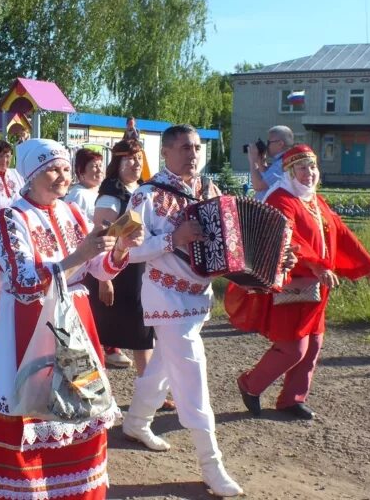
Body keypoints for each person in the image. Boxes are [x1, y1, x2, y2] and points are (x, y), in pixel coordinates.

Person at [0, 138, 143, 500]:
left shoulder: (71, 212)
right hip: (32, 323)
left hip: (76, 316)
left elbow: (97, 269)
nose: (62, 176)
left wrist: (119, 248)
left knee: (81, 400)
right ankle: (30, 490)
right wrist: (77, 255)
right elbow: (23, 281)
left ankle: (79, 489)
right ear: (32, 174)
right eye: (52, 169)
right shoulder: (11, 217)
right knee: (35, 404)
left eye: (65, 168)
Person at [122, 125, 244, 497]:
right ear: (166, 153)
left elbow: (231, 239)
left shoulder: (211, 190)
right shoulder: (145, 196)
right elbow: (124, 252)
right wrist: (170, 240)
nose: (193, 154)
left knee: (163, 362)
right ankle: (211, 464)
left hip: (199, 295)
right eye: (184, 148)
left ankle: (136, 421)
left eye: (196, 147)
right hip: (165, 296)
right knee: (191, 374)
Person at [227, 144, 370, 420]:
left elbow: (342, 232)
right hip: (291, 284)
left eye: (313, 167)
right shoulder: (281, 199)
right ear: (289, 171)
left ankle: (292, 399)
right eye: (302, 167)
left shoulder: (315, 200)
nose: (309, 173)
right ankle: (250, 384)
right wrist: (316, 263)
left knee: (313, 345)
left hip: (317, 286)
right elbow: (287, 237)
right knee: (293, 348)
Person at [87, 139, 154, 375]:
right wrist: (104, 280)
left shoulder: (146, 189)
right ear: (118, 162)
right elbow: (102, 239)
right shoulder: (110, 196)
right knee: (111, 331)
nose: (136, 163)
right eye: (130, 158)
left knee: (146, 331)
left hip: (145, 268)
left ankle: (149, 390)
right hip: (120, 272)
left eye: (139, 158)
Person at [67, 147, 133, 369]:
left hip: (104, 257)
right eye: (91, 166)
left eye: (99, 165)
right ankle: (107, 347)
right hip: (86, 261)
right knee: (99, 307)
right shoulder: (77, 196)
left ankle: (108, 346)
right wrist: (105, 278)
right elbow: (94, 232)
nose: (97, 170)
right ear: (80, 172)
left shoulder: (101, 191)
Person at [248, 125, 294, 201]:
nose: (267, 145)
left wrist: (253, 160)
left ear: (280, 144)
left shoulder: (283, 163)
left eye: (269, 142)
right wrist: (261, 161)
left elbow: (258, 186)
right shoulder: (282, 160)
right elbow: (267, 177)